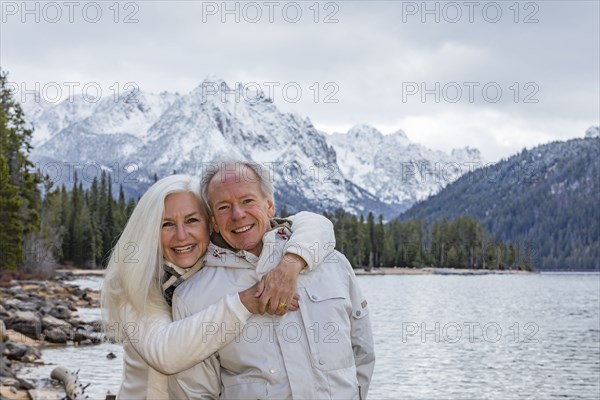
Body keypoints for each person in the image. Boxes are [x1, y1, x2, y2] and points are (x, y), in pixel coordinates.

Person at [100, 174, 336, 399]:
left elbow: (315, 224)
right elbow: (165, 354)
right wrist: (245, 302)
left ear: (210, 223)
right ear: (151, 231)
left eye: (192, 220)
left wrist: (290, 265)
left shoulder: (217, 268)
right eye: (167, 224)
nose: (182, 236)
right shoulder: (134, 281)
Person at [169, 162, 375, 399]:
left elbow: (362, 351)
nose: (238, 215)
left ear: (269, 206)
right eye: (224, 207)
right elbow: (195, 392)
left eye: (247, 201)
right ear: (214, 221)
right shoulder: (192, 297)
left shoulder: (334, 264)